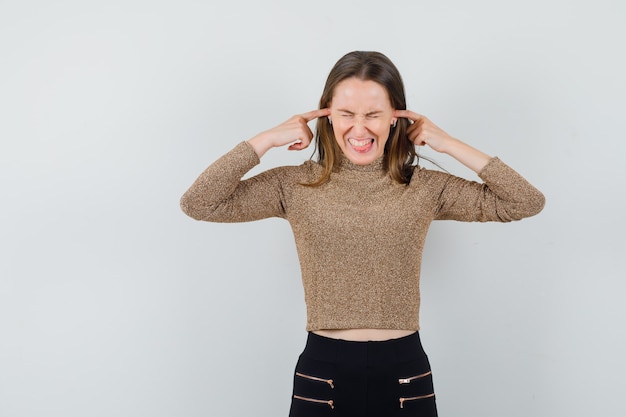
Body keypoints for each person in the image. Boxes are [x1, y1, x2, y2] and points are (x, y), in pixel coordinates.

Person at [180, 51, 545, 417]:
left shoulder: (423, 188)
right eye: (346, 113)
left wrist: (446, 142)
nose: (359, 128)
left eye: (373, 114)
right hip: (323, 374)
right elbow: (199, 203)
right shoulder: (293, 185)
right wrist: (268, 139)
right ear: (326, 114)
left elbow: (525, 201)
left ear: (396, 118)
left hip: (405, 373)